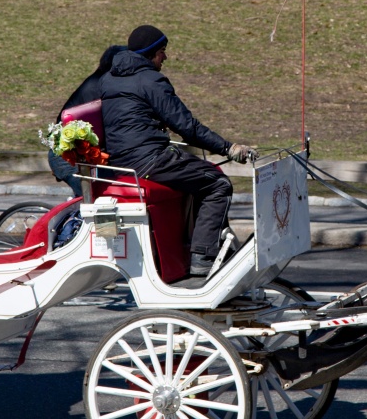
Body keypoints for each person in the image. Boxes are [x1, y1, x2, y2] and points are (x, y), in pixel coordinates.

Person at [97, 25, 253, 280]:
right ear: (150, 53)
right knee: (218, 183)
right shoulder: (151, 80)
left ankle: (204, 248)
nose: (165, 58)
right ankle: (203, 258)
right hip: (148, 159)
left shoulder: (109, 78)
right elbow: (187, 127)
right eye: (162, 52)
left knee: (200, 175)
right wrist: (229, 148)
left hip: (122, 159)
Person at [53, 43, 128, 195]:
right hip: (70, 157)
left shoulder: (102, 84)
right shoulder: (99, 88)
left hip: (84, 156)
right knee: (102, 196)